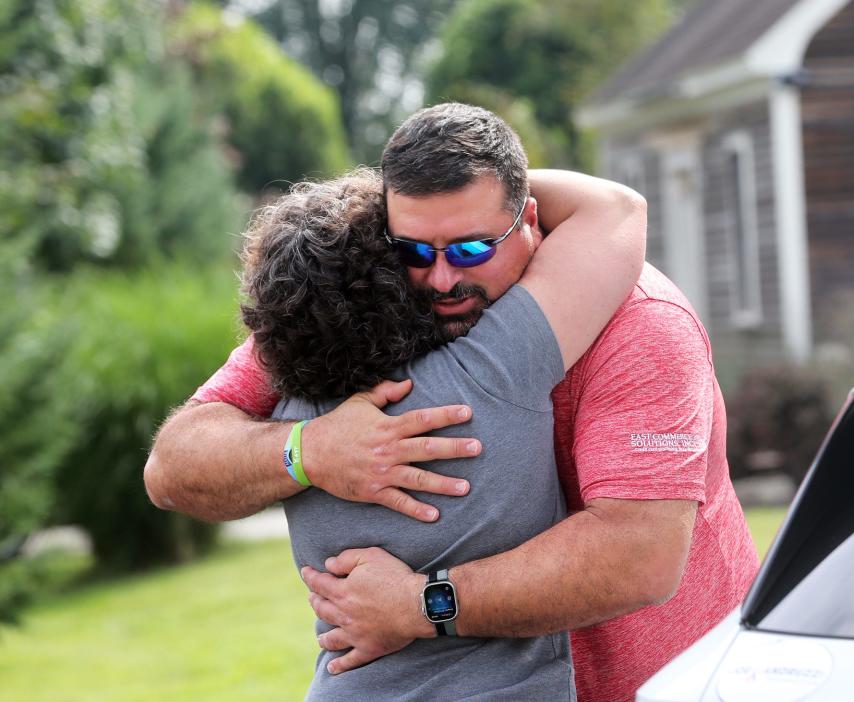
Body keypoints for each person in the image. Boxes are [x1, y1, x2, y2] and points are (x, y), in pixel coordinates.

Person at [145, 103, 760, 701]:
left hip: (673, 683)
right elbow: (173, 468)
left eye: (471, 249)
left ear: (532, 220)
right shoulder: (359, 310)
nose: (442, 280)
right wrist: (308, 450)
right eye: (415, 250)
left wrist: (421, 604)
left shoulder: (643, 327)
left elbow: (641, 557)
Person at [236, 165, 643, 700]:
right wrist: (475, 192)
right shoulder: (493, 366)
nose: (441, 273)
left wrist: (300, 450)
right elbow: (615, 209)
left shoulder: (283, 422)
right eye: (415, 251)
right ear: (391, 277)